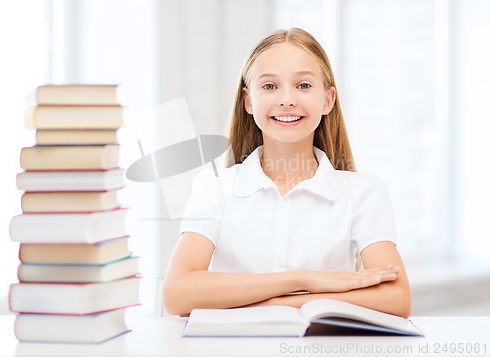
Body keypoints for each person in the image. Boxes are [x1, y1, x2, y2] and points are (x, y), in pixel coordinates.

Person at [163, 28, 411, 318]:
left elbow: (397, 299)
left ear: (328, 100)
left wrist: (267, 304)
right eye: (269, 86)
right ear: (249, 101)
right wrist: (303, 280)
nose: (287, 99)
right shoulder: (214, 187)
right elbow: (177, 293)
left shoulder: (364, 192)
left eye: (304, 85)